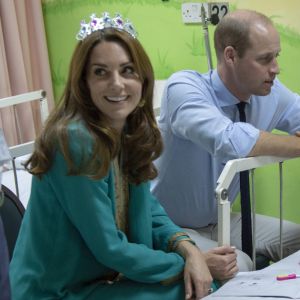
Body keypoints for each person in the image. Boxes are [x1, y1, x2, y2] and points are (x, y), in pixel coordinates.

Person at [9, 11, 229, 300]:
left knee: (202, 284)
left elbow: (150, 211)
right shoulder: (73, 140)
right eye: (101, 72)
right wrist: (190, 263)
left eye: (127, 70)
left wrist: (190, 251)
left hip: (102, 279)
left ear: (143, 78)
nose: (117, 84)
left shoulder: (125, 131)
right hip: (56, 291)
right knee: (195, 287)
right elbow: (109, 247)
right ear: (83, 82)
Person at [151, 9, 300, 271]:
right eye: (265, 59)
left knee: (297, 238)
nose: (275, 69)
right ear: (230, 55)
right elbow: (230, 141)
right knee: (239, 265)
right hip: (169, 225)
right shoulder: (184, 87)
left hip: (221, 220)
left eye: (276, 57)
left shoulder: (270, 92)